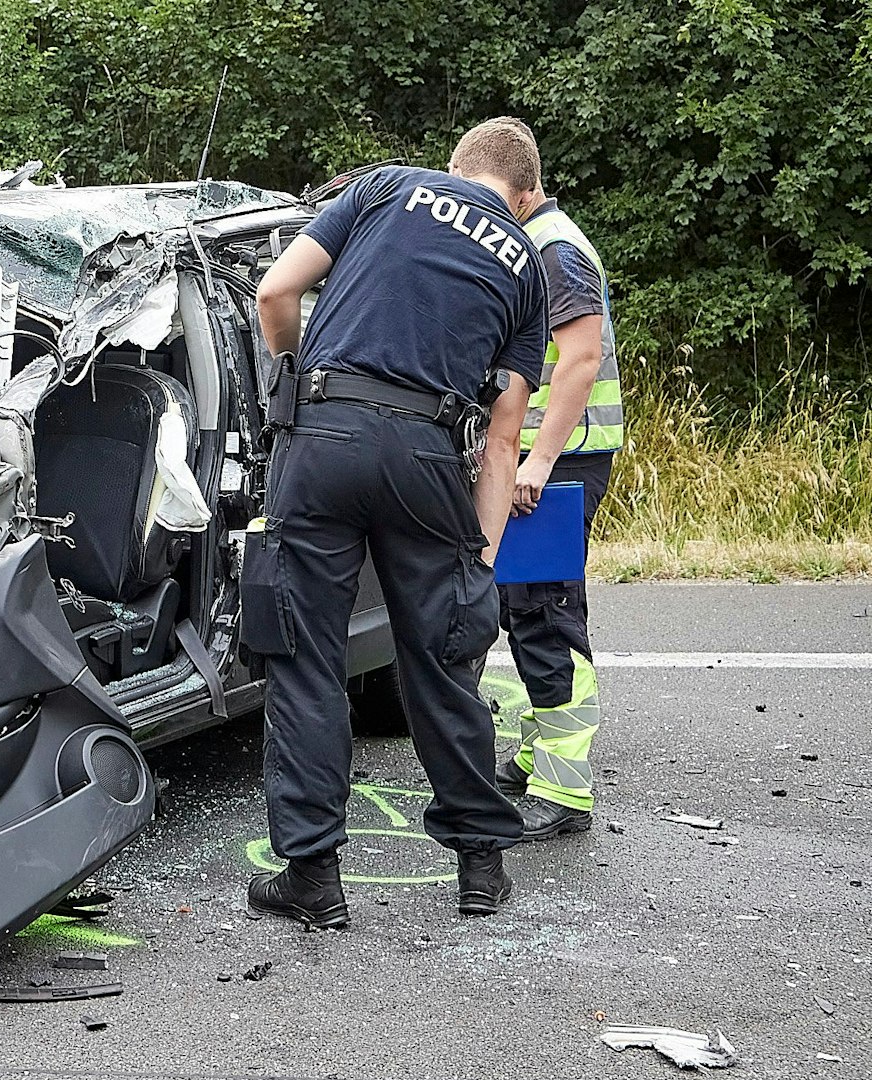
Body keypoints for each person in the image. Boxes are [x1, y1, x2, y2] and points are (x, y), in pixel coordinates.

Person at [242, 120, 549, 926]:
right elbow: (505, 434)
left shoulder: (383, 186)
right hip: (426, 454)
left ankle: (312, 877)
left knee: (307, 655)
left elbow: (276, 291)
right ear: (522, 194)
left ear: (455, 165)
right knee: (440, 658)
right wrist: (475, 562)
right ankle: (481, 866)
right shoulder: (525, 263)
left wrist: (294, 374)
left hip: (322, 441)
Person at [483, 118, 625, 840]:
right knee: (525, 605)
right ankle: (542, 753)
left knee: (544, 610)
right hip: (552, 457)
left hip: (562, 461)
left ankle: (565, 790)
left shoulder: (556, 249)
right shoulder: (539, 242)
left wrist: (535, 463)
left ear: (524, 189)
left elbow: (578, 360)